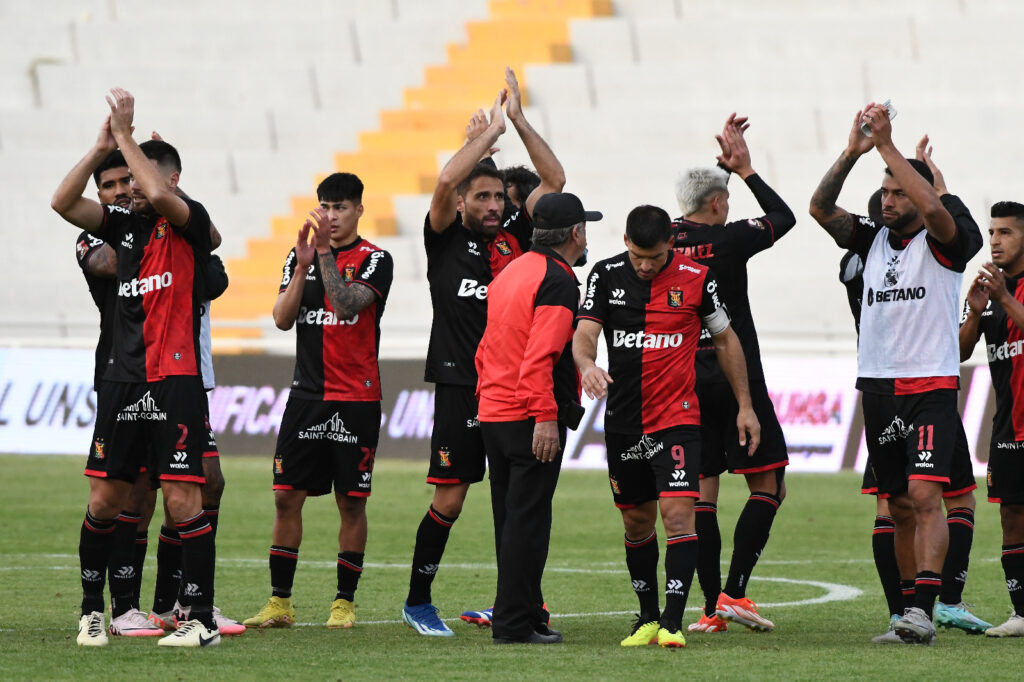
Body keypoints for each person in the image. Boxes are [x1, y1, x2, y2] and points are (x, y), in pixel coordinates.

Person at [809, 103, 983, 644]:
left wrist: (888, 145)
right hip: (878, 386)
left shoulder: (945, 242)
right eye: (884, 191)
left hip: (929, 383)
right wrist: (854, 152)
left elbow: (936, 209)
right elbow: (819, 207)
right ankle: (906, 611)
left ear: (922, 194)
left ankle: (925, 611)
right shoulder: (871, 238)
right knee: (900, 504)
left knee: (927, 495)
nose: (887, 199)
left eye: (898, 191)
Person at [401, 67, 566, 637]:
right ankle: (419, 599)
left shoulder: (511, 239)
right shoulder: (444, 235)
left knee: (514, 500)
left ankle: (517, 603)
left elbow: (555, 178)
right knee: (450, 499)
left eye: (499, 195)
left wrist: (517, 121)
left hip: (509, 386)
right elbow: (444, 183)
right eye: (485, 195)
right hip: (457, 382)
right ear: (466, 200)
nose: (495, 204)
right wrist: (478, 142)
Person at [53, 88, 220, 647]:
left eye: (134, 179)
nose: (128, 191)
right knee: (104, 501)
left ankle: (198, 619)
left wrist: (126, 135)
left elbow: (155, 191)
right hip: (122, 382)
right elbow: (62, 202)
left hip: (174, 381)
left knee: (181, 500)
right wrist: (100, 144)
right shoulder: (122, 232)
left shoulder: (188, 222)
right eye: (115, 181)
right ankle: (91, 611)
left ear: (168, 180)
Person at [574, 204, 760, 648]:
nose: (644, 265)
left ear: (670, 245)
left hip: (676, 419)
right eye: (637, 255)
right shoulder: (604, 274)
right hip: (623, 422)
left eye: (654, 258)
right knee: (637, 523)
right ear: (625, 243)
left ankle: (673, 625)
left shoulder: (698, 278)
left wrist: (745, 405)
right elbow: (584, 332)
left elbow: (726, 339)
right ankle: (647, 618)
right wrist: (585, 364)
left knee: (678, 515)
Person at [244, 171, 393, 631]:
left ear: (358, 210)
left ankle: (343, 603)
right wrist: (305, 265)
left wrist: (324, 255)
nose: (330, 216)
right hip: (306, 395)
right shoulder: (300, 256)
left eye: (340, 208)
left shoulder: (376, 259)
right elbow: (282, 320)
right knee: (286, 497)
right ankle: (280, 602)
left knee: (351, 502)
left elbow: (347, 304)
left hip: (355, 399)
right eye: (325, 207)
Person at [672, 115, 795, 633]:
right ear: (718, 203)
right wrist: (745, 170)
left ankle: (707, 611)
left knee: (704, 493)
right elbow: (783, 217)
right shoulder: (729, 239)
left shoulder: (664, 243)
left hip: (685, 379)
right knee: (769, 484)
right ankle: (735, 593)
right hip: (735, 371)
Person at [475, 191, 596, 644]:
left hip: (495, 411)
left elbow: (486, 348)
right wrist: (545, 417)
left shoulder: (512, 270)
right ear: (575, 233)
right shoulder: (559, 280)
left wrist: (486, 398)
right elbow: (541, 355)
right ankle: (512, 623)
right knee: (528, 523)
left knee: (510, 521)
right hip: (529, 415)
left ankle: (524, 614)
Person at [959, 200, 1024, 637]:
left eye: (1006, 232)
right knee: (1012, 516)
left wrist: (1003, 297)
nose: (995, 240)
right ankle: (1021, 613)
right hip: (1008, 426)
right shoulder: (987, 289)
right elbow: (959, 352)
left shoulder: (1009, 291)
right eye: (992, 232)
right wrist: (979, 309)